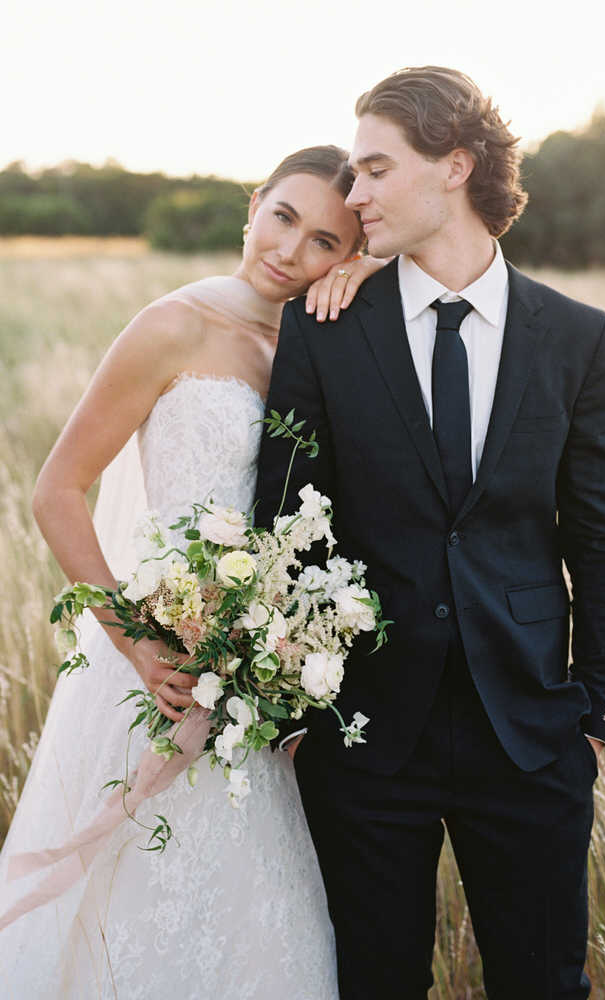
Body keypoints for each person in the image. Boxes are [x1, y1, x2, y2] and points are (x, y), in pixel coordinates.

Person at [255, 67, 605, 999]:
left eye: (375, 170)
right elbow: (286, 519)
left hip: (534, 729)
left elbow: (602, 533)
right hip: (368, 736)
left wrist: (596, 710)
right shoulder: (327, 329)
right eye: (353, 173)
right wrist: (303, 717)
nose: (354, 196)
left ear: (455, 166)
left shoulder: (577, 337)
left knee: (545, 981)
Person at [0, 145, 384, 1000]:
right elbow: (56, 491)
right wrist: (138, 643)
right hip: (158, 656)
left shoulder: (316, 344)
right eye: (283, 217)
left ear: (347, 257)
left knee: (259, 902)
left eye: (326, 241)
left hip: (254, 671)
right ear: (252, 206)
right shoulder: (173, 324)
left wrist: (368, 274)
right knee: (130, 892)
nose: (291, 251)